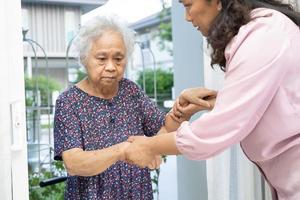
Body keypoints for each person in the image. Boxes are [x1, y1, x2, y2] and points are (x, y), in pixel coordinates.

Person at [125, 1, 300, 200]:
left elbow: (215, 131)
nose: (187, 17)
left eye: (188, 5)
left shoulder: (263, 35)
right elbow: (276, 100)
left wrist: (149, 146)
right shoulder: (263, 31)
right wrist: (219, 101)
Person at [53, 15, 215, 200]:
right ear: (84, 58)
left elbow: (162, 133)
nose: (111, 67)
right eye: (102, 58)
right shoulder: (69, 101)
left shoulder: (130, 91)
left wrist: (183, 110)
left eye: (119, 59)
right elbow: (74, 163)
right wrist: (122, 151)